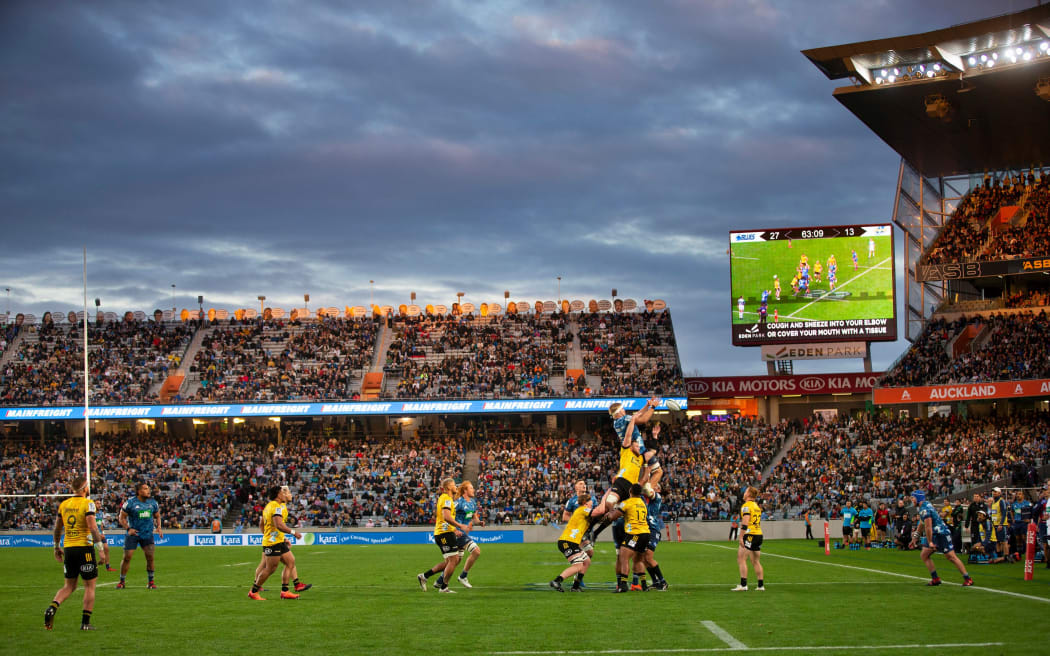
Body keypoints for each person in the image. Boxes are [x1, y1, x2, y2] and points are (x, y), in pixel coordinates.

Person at [45, 476, 110, 631]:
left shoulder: (64, 505)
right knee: (89, 586)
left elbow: (57, 529)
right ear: (84, 488)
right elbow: (93, 528)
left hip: (69, 548)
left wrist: (56, 547)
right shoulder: (88, 504)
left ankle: (52, 607)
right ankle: (85, 623)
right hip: (84, 549)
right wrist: (101, 550)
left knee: (68, 586)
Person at [248, 485, 310, 600]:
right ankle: (253, 591)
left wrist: (278, 536)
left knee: (290, 562)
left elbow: (262, 524)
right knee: (270, 569)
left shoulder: (269, 506)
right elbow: (279, 525)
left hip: (277, 540)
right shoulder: (276, 507)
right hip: (272, 543)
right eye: (282, 492)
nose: (284, 493)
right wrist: (293, 532)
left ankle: (285, 591)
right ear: (278, 494)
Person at [908, 490, 973, 587]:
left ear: (918, 498)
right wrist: (915, 537)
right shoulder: (924, 506)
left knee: (951, 557)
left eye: (913, 498)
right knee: (924, 555)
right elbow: (922, 523)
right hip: (936, 534)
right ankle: (935, 579)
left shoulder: (924, 509)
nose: (912, 500)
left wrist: (930, 542)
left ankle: (968, 578)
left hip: (941, 533)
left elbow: (928, 526)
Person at [416, 477, 470, 593]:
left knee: (449, 562)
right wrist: (460, 526)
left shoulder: (446, 498)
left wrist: (453, 529)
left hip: (444, 532)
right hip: (444, 534)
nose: (456, 487)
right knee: (454, 560)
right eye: (454, 485)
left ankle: (424, 576)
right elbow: (446, 516)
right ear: (448, 487)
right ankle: (444, 587)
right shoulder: (446, 499)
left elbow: (443, 518)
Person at [550, 492, 603, 592]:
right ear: (585, 502)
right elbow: (599, 512)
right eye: (590, 500)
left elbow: (597, 517)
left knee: (587, 561)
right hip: (567, 541)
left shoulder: (583, 513)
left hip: (572, 542)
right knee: (578, 565)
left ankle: (575, 586)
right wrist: (605, 500)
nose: (592, 502)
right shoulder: (582, 509)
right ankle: (557, 581)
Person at [116, 482, 163, 589]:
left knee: (150, 557)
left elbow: (157, 516)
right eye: (145, 489)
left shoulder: (153, 503)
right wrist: (128, 529)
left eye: (148, 488)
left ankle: (151, 582)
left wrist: (159, 527)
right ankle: (122, 581)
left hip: (147, 534)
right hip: (133, 534)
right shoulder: (130, 503)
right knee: (127, 557)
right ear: (139, 491)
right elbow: (121, 517)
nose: (148, 491)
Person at [614, 483, 650, 593]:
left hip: (634, 533)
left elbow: (614, 515)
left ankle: (623, 585)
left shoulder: (627, 503)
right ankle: (644, 584)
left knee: (623, 557)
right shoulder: (642, 503)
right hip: (646, 533)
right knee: (638, 559)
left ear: (630, 492)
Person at [732, 486, 764, 591]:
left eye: (745, 491)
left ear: (749, 494)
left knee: (741, 559)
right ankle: (760, 585)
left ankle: (743, 585)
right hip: (758, 533)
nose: (744, 493)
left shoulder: (746, 506)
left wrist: (741, 536)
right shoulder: (757, 507)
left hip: (750, 534)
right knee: (755, 561)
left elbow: (745, 522)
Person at [453, 480, 482, 588]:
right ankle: (463, 576)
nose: (473, 489)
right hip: (458, 532)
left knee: (455, 561)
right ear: (465, 490)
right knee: (476, 551)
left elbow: (474, 516)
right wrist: (454, 529)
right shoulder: (459, 502)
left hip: (464, 533)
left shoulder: (472, 502)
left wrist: (479, 522)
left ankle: (432, 578)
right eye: (471, 488)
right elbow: (449, 515)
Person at [640, 483, 669, 591]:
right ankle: (655, 582)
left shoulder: (657, 497)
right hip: (644, 530)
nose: (652, 488)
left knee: (648, 557)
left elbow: (647, 490)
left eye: (655, 487)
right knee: (643, 558)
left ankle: (663, 581)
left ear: (659, 490)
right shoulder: (644, 499)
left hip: (653, 530)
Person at [988, 487, 1009, 561]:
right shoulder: (993, 502)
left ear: (999, 493)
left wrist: (1001, 524)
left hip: (1000, 524)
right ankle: (999, 555)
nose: (994, 493)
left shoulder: (1001, 501)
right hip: (995, 524)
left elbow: (1004, 513)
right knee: (997, 541)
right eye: (993, 492)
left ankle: (1006, 556)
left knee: (1003, 541)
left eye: (996, 492)